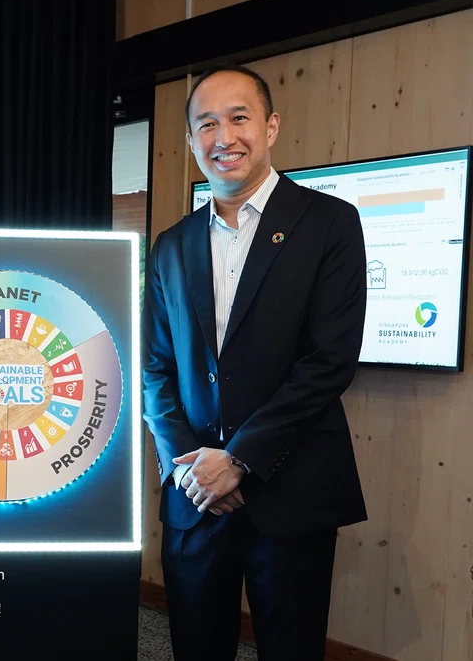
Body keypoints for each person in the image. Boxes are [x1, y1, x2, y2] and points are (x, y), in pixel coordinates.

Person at [141, 64, 368, 660]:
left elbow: (329, 361)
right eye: (206, 124)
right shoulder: (172, 244)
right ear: (191, 141)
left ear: (269, 126)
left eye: (239, 118)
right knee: (195, 646)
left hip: (291, 489)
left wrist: (239, 458)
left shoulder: (329, 224)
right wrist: (189, 468)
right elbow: (154, 369)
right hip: (195, 499)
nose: (224, 137)